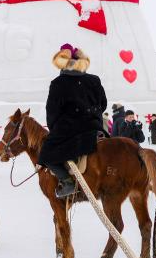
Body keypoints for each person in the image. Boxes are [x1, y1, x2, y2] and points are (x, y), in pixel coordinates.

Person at [38, 43, 106, 199]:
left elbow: (52, 112)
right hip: (95, 128)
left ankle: (67, 182)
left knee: (46, 155)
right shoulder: (94, 79)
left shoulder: (58, 83)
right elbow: (103, 104)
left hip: (69, 130)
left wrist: (54, 130)